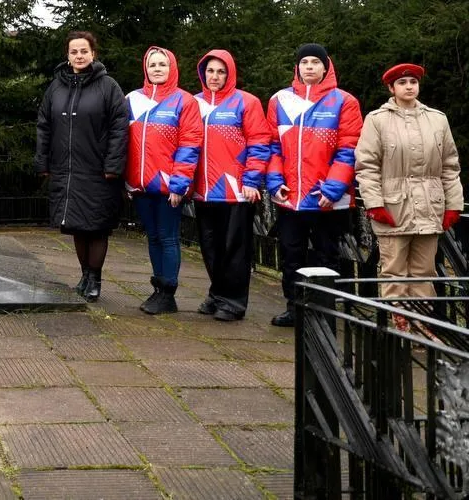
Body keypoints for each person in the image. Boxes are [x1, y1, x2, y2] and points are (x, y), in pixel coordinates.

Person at [355, 63, 463, 328]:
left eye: (413, 82)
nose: (409, 87)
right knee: (394, 271)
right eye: (402, 83)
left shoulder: (437, 119)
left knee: (425, 272)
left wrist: (453, 205)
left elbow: (450, 165)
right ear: (392, 88)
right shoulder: (377, 120)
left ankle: (424, 327)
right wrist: (374, 203)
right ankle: (399, 328)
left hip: (429, 206)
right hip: (394, 208)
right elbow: (367, 166)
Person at [265, 43, 363, 327]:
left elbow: (349, 149)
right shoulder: (279, 100)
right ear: (297, 67)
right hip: (290, 196)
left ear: (326, 66)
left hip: (326, 198)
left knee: (326, 256)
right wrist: (274, 182)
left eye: (315, 62)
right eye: (304, 62)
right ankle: (294, 308)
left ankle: (324, 313)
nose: (309, 67)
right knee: (291, 254)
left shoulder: (344, 101)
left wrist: (333, 189)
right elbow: (272, 147)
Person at [36, 30, 129, 301]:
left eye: (84, 51)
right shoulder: (56, 86)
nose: (79, 55)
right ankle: (84, 276)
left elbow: (119, 128)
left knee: (97, 226)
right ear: (67, 55)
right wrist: (43, 161)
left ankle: (95, 279)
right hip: (67, 170)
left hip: (98, 170)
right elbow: (44, 125)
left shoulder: (108, 86)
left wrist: (113, 165)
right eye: (74, 51)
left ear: (93, 54)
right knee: (77, 225)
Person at [192, 50, 272, 321]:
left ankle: (234, 302)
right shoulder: (194, 103)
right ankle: (217, 294)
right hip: (203, 190)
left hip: (236, 190)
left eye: (221, 71)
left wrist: (252, 180)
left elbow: (260, 143)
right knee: (210, 247)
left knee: (235, 249)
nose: (215, 77)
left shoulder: (245, 102)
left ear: (230, 74)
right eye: (210, 71)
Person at [125, 47, 203, 314]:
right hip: (141, 184)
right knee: (153, 237)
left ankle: (168, 292)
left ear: (172, 67)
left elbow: (190, 144)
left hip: (169, 185)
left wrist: (180, 183)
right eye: (152, 64)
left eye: (162, 64)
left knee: (168, 237)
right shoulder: (132, 99)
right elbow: (125, 142)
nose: (156, 69)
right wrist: (127, 180)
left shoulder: (185, 101)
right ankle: (158, 288)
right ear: (145, 68)